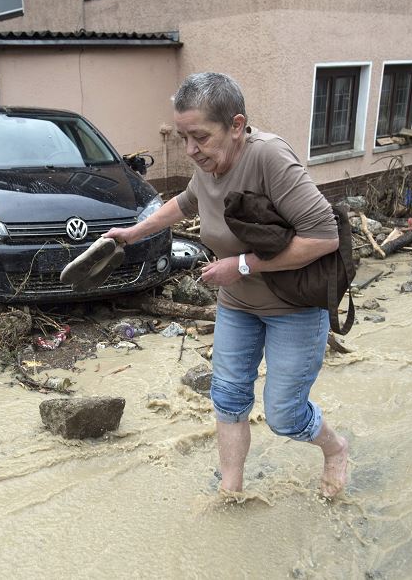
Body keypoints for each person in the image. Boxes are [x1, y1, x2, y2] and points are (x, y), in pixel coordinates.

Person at [104, 72, 349, 497]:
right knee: (229, 398)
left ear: (236, 125)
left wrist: (243, 266)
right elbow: (187, 202)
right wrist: (134, 232)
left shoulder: (269, 158)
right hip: (237, 305)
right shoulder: (210, 164)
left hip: (294, 309)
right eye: (183, 138)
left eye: (199, 136)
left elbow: (324, 236)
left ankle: (335, 450)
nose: (190, 150)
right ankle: (231, 491)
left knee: (285, 416)